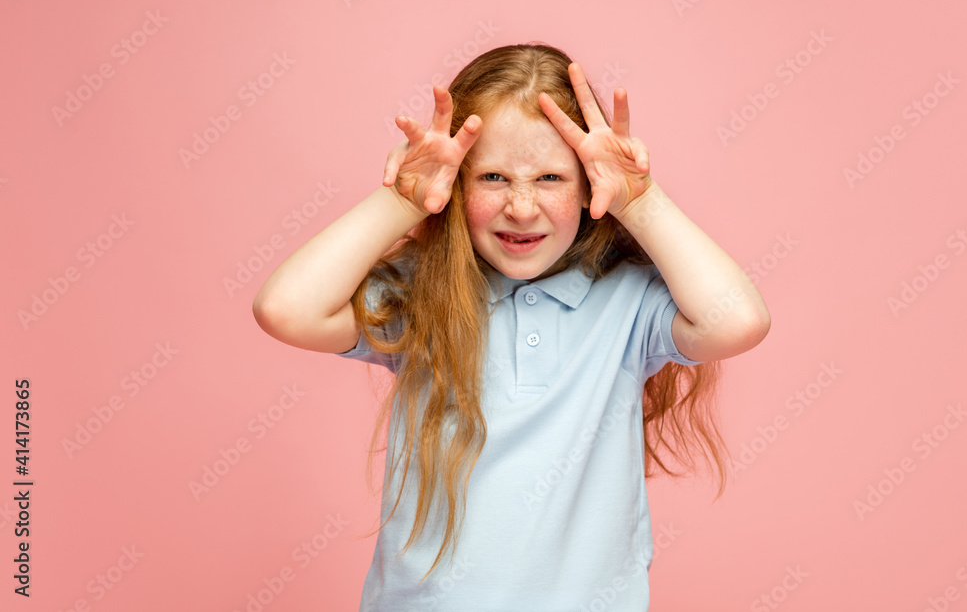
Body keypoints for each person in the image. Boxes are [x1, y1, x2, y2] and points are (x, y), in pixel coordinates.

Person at [252, 43, 771, 611]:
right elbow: (286, 310)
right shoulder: (423, 291)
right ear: (455, 186)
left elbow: (738, 322)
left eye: (551, 176)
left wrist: (641, 202)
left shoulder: (628, 301)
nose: (521, 207)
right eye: (493, 177)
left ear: (590, 184)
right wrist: (401, 201)